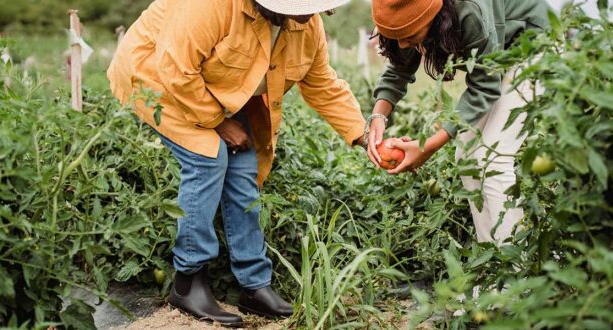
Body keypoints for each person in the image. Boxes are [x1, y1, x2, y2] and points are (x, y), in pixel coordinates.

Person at [107, 0, 366, 326]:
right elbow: (175, 69)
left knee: (244, 165)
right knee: (208, 157)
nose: (307, 14)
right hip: (157, 79)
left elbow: (322, 83)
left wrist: (363, 134)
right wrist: (219, 122)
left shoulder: (305, 23)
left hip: (213, 86)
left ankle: (254, 286)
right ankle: (188, 281)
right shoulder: (211, 5)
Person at [365, 0, 549, 243]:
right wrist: (379, 117)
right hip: (499, 54)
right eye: (395, 36)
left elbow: (484, 85)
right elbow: (400, 68)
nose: (402, 44)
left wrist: (427, 146)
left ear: (433, 16)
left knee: (492, 157)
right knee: (466, 157)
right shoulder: (415, 11)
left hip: (532, 47)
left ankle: (516, 269)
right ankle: (492, 261)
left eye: (408, 35)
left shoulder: (469, 9)